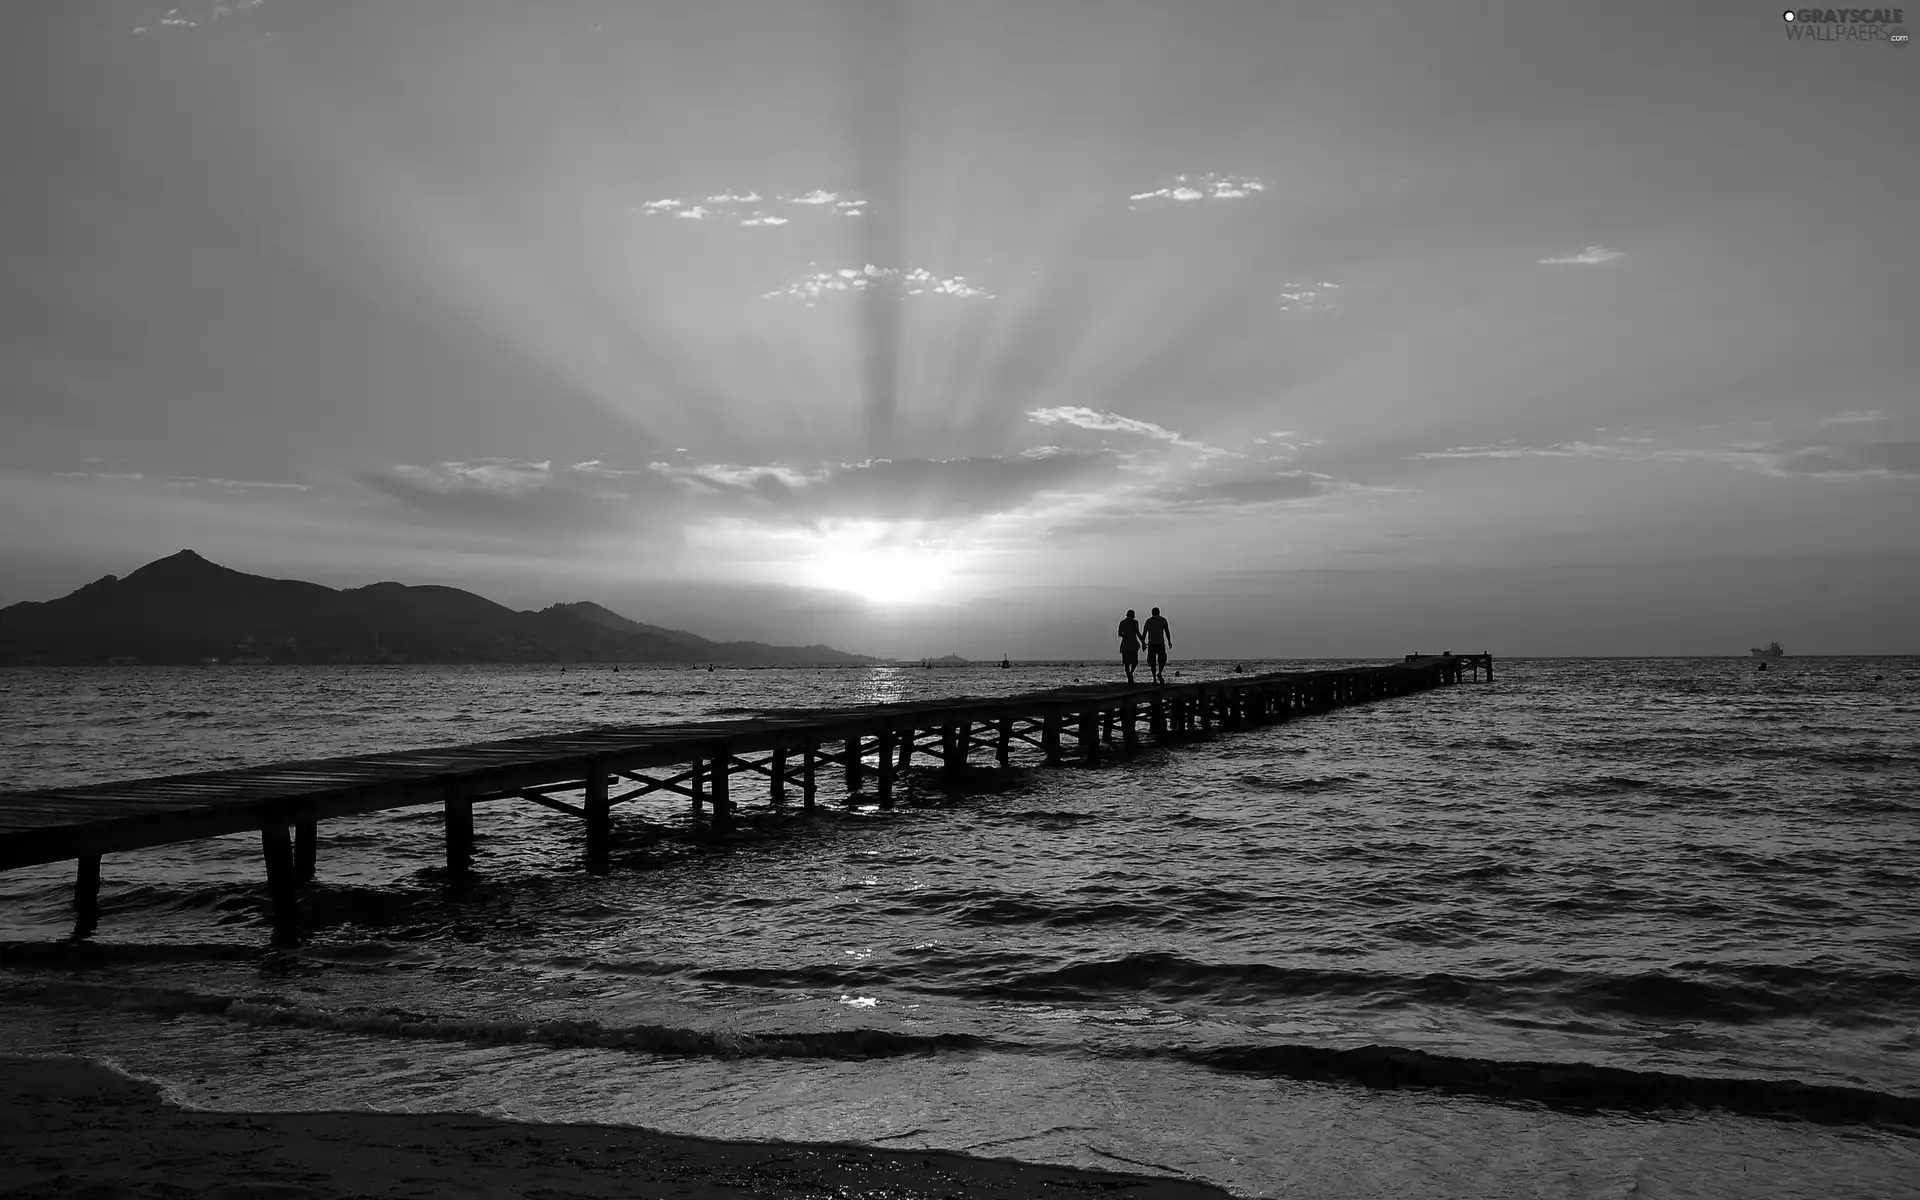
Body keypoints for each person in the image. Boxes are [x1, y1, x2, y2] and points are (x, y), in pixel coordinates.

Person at [1142, 607, 1172, 683]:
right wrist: (1169, 641)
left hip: (1151, 644)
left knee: (1152, 662)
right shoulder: (1163, 620)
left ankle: (1154, 679)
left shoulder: (1148, 621)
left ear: (1152, 613)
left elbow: (1144, 633)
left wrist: (1143, 643)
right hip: (1160, 643)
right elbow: (1167, 631)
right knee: (1162, 660)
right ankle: (1160, 673)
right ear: (1159, 612)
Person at [1116, 609, 1143, 684]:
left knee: (1126, 663)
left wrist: (1125, 635)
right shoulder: (1135, 622)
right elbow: (1138, 633)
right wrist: (1143, 642)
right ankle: (1131, 674)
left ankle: (1129, 677)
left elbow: (1119, 634)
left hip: (1125, 644)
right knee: (1135, 662)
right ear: (1133, 615)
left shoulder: (1122, 622)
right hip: (1134, 644)